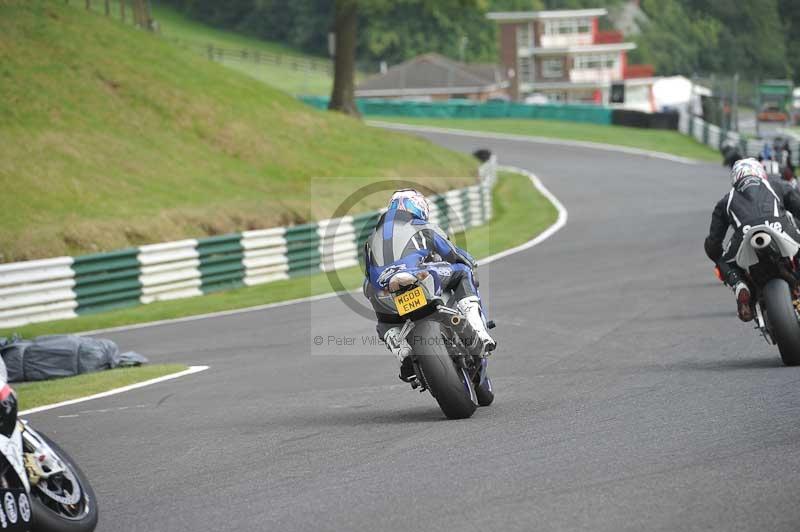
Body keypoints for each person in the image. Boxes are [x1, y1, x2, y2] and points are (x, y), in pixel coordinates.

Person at [363, 189, 496, 379]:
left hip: (384, 288)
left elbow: (368, 274)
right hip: (417, 276)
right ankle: (479, 330)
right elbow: (453, 254)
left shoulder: (370, 239)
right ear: (419, 207)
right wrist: (470, 262)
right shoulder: (422, 226)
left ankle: (402, 352)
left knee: (383, 321)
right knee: (462, 272)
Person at [704, 158, 800, 321]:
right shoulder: (777, 186)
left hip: (743, 236)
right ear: (760, 173)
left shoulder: (725, 201)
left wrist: (717, 256)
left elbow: (713, 244)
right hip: (779, 228)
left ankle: (739, 284)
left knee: (725, 262)